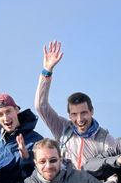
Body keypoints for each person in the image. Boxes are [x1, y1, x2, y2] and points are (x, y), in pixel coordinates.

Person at [34, 41, 115, 169]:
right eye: (74, 114)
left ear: (91, 111)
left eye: (83, 113)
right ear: (69, 115)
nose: (79, 119)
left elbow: (114, 173)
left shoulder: (105, 138)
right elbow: (41, 106)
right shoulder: (63, 129)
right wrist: (47, 71)